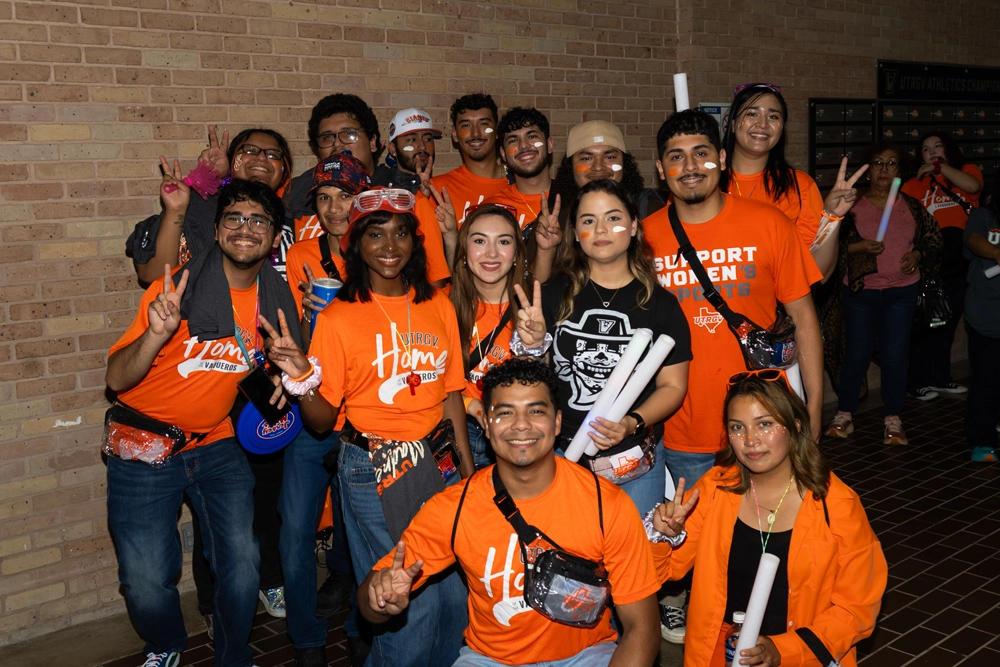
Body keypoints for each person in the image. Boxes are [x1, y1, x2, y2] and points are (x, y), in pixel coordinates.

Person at [260, 187, 473, 667]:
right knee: (408, 602)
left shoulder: (438, 304)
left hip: (439, 461)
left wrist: (468, 470)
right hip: (373, 467)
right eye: (375, 234)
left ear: (416, 242)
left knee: (456, 601)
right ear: (355, 244)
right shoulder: (337, 318)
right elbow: (319, 421)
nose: (390, 246)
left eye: (401, 233)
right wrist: (299, 377)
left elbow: (452, 393)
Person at [641, 110, 825, 643]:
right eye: (676, 157)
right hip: (678, 427)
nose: (690, 166)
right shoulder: (644, 239)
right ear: (660, 170)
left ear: (721, 160)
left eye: (701, 153)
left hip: (760, 428)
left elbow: (806, 318)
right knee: (686, 542)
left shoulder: (769, 224)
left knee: (760, 556)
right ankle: (685, 609)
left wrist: (811, 408)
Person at [105, 180, 302, 667]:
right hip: (144, 445)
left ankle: (234, 656)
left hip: (217, 443)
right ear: (216, 231)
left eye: (259, 220)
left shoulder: (277, 301)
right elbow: (115, 379)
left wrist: (285, 375)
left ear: (274, 236)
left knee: (242, 561)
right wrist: (156, 335)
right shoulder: (175, 292)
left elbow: (272, 369)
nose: (245, 228)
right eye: (234, 217)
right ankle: (167, 644)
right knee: (146, 576)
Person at [358, 358, 662, 667]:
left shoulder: (606, 504)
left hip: (586, 656)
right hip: (490, 659)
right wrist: (380, 599)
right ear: (487, 426)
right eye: (505, 412)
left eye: (535, 410)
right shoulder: (454, 507)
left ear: (557, 423)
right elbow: (371, 601)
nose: (521, 424)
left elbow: (642, 626)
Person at [648, 372, 887, 667]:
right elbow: (666, 572)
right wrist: (663, 536)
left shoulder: (836, 505)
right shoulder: (716, 488)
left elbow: (857, 608)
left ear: (794, 426)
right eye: (737, 427)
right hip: (717, 648)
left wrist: (783, 650)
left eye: (765, 424)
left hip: (802, 654)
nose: (750, 440)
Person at [516, 179, 691, 517]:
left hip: (634, 460)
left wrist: (631, 422)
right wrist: (534, 344)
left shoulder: (662, 305)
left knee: (632, 561)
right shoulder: (552, 296)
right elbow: (531, 380)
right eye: (588, 220)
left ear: (634, 225)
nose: (601, 229)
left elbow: (673, 387)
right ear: (576, 233)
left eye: (613, 218)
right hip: (562, 457)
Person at [280, 153, 372, 666]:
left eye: (346, 196)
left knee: (362, 532)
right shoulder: (302, 256)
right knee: (295, 530)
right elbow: (288, 334)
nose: (336, 208)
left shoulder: (381, 251)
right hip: (313, 416)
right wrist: (307, 319)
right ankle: (307, 639)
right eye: (325, 198)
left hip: (361, 416)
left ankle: (363, 627)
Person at [824, 141, 942, 446]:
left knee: (894, 357)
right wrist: (859, 247)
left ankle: (893, 418)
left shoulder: (912, 205)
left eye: (891, 164)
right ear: (868, 169)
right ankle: (845, 414)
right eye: (878, 163)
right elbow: (826, 246)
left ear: (899, 170)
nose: (884, 170)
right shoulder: (853, 205)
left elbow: (933, 239)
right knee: (856, 355)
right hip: (861, 292)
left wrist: (917, 255)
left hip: (901, 293)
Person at [720, 83, 862, 280]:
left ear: (781, 129)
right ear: (732, 123)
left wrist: (831, 218)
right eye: (752, 114)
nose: (763, 124)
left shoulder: (800, 186)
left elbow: (817, 272)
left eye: (773, 116)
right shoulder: (704, 183)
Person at [128, 127, 294, 284]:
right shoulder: (199, 206)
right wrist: (176, 211)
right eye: (250, 150)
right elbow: (151, 274)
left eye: (273, 154)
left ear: (285, 171)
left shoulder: (295, 211)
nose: (262, 158)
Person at [902, 130, 984, 399]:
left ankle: (941, 376)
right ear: (919, 156)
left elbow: (974, 188)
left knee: (949, 321)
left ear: (949, 150)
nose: (933, 151)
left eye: (938, 146)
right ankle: (918, 380)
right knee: (925, 322)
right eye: (926, 149)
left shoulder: (965, 171)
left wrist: (940, 168)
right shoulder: (914, 184)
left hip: (958, 262)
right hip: (927, 264)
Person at [448, 203, 531, 469]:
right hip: (452, 429)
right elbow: (425, 382)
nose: (491, 253)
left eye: (503, 241)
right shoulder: (440, 304)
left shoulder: (533, 308)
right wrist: (473, 406)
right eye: (480, 240)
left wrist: (537, 345)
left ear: (516, 253)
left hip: (513, 433)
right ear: (464, 251)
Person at [535, 120, 666, 283]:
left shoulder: (649, 209)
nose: (598, 167)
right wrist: (547, 250)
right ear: (571, 166)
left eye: (610, 156)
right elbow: (537, 291)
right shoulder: (556, 218)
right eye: (586, 158)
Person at [286, 93, 382, 243]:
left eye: (349, 134)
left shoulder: (404, 193)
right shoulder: (295, 196)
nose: (337, 144)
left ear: (372, 142)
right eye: (327, 137)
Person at [962, 172, 1000, 462]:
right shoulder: (983, 216)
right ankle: (982, 441)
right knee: (986, 380)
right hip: (986, 313)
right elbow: (974, 241)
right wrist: (997, 254)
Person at [429, 93, 509, 226]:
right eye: (466, 125)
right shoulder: (438, 190)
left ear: (496, 131)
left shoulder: (518, 183)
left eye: (483, 124)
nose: (476, 133)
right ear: (454, 134)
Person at [483, 107, 554, 229]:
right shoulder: (491, 209)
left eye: (532, 137)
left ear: (549, 145)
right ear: (503, 154)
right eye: (513, 140)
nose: (524, 146)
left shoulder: (575, 200)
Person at [371, 107, 442, 194]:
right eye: (412, 139)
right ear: (393, 149)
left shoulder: (444, 189)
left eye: (427, 139)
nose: (422, 147)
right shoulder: (379, 189)